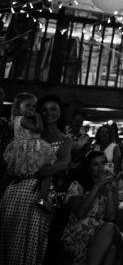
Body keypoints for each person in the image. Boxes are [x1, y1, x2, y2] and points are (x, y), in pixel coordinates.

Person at [0, 94, 73, 265]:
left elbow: (62, 165)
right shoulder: (27, 133)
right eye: (44, 109)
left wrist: (29, 172)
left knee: (32, 243)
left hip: (40, 196)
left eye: (53, 109)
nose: (49, 113)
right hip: (14, 192)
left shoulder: (65, 140)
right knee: (8, 240)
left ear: (60, 111)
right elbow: (11, 162)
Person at [60, 151, 123, 265]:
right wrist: (97, 186)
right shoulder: (77, 185)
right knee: (111, 246)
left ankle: (122, 239)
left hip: (100, 232)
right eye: (96, 164)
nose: (101, 167)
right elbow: (80, 213)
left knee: (110, 231)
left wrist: (109, 190)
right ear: (89, 168)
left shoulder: (112, 186)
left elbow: (111, 216)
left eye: (103, 163)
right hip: (78, 233)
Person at [2, 93, 56, 208]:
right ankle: (42, 199)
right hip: (31, 149)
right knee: (46, 172)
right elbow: (39, 129)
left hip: (23, 150)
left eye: (34, 106)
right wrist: (38, 117)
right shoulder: (24, 119)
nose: (32, 108)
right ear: (18, 107)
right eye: (28, 105)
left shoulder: (16, 119)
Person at [4, 0, 51, 79]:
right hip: (21, 21)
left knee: (24, 48)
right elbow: (18, 4)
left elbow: (48, 5)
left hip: (31, 23)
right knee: (16, 46)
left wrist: (41, 3)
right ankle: (12, 72)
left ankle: (17, 74)